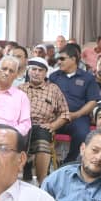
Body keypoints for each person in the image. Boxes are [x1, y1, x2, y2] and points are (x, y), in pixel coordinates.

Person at [20, 56, 70, 184]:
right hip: (21, 125)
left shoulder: (53, 89)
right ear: (28, 71)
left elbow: (65, 114)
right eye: (34, 69)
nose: (36, 73)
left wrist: (53, 126)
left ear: (45, 73)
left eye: (40, 70)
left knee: (41, 138)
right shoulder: (20, 89)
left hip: (41, 125)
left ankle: (42, 183)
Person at [49, 45, 101, 162]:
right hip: (56, 117)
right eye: (58, 59)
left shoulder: (88, 78)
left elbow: (93, 101)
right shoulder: (54, 77)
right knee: (42, 131)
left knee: (83, 134)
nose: (59, 62)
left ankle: (70, 163)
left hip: (78, 118)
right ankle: (45, 165)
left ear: (73, 59)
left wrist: (76, 114)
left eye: (62, 59)